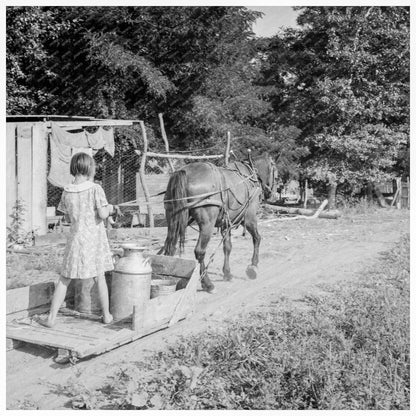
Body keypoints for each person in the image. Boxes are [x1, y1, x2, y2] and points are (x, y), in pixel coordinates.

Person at [42, 152, 121, 327]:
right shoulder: (95, 188)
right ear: (89, 168)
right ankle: (107, 316)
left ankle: (51, 319)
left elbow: (68, 219)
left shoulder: (67, 191)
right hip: (93, 239)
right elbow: (102, 214)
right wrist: (111, 208)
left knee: (64, 278)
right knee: (99, 276)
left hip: (75, 239)